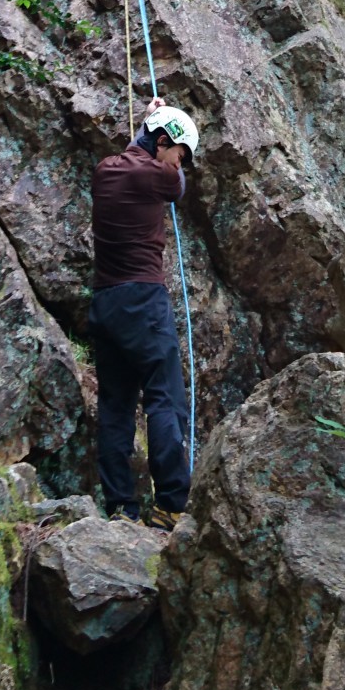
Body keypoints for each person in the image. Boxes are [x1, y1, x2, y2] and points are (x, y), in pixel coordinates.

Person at [89, 100, 199, 531]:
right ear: (164, 143)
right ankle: (170, 504)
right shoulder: (158, 176)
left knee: (116, 406)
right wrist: (154, 133)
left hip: (105, 302)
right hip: (143, 301)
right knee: (164, 398)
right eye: (179, 153)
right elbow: (179, 188)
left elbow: (133, 154)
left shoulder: (105, 170)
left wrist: (148, 124)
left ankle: (120, 505)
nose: (179, 162)